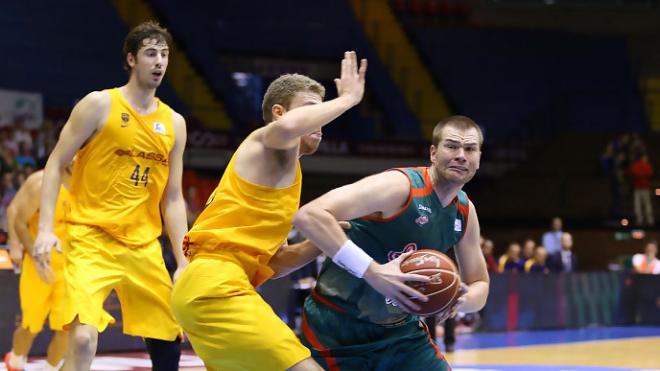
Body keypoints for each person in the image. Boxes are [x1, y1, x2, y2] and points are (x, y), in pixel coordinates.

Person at [171, 52, 380, 371]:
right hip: (215, 285)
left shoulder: (288, 175)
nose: (321, 121)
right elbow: (287, 130)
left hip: (213, 286)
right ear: (279, 113)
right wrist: (348, 99)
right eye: (313, 111)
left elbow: (276, 263)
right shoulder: (265, 142)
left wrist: (322, 241)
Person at [32, 21, 187, 371]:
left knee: (168, 334)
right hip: (90, 238)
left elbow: (173, 198)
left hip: (143, 245)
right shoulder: (99, 104)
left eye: (164, 54)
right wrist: (45, 229)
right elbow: (56, 163)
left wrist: (183, 260)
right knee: (84, 337)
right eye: (150, 53)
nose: (159, 61)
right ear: (131, 59)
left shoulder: (175, 123)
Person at [277, 115, 489, 370]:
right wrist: (373, 272)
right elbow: (308, 216)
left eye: (470, 149)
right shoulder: (400, 186)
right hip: (338, 329)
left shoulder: (464, 211)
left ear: (478, 158)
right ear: (433, 153)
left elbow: (480, 285)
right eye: (452, 146)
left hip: (402, 335)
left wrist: (459, 299)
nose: (461, 155)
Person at [4, 169, 73, 371]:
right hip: (39, 262)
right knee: (30, 326)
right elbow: (14, 211)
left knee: (66, 327)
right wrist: (15, 244)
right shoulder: (41, 181)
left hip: (71, 266)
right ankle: (16, 361)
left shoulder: (89, 183)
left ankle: (51, 368)